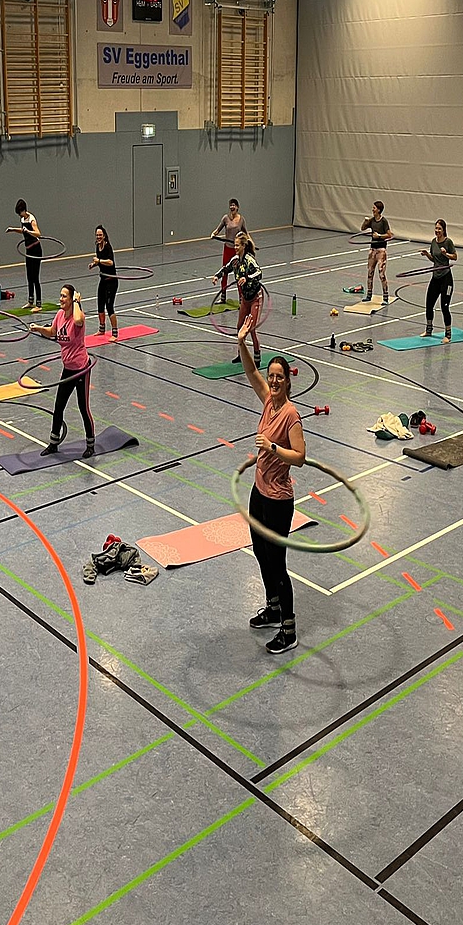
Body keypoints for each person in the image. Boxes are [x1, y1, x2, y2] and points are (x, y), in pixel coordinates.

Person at [237, 313, 306, 654]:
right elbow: (251, 372)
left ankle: (288, 630)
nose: (274, 381)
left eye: (279, 377)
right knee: (260, 552)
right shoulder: (268, 400)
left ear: (288, 381)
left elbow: (300, 456)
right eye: (272, 376)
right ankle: (273, 606)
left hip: (278, 499)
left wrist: (273, 448)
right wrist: (242, 341)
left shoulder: (291, 415)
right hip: (258, 492)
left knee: (278, 564)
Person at [30, 284, 95, 458]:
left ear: (72, 299)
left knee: (83, 407)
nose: (61, 299)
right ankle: (53, 444)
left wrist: (77, 302)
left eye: (64, 296)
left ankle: (90, 444)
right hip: (68, 369)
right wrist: (38, 328)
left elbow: (78, 320)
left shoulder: (78, 316)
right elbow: (52, 332)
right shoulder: (59, 315)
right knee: (59, 406)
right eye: (60, 295)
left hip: (81, 369)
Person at [212, 231, 263, 367]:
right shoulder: (235, 260)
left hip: (255, 297)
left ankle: (257, 357)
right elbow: (225, 268)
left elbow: (259, 273)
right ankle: (241, 355)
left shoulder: (250, 260)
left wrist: (247, 278)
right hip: (244, 299)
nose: (235, 247)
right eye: (234, 245)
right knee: (240, 327)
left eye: (237, 245)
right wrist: (217, 276)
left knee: (251, 328)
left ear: (243, 246)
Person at [419, 218, 458, 341]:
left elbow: (455, 257)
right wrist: (427, 254)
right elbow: (434, 259)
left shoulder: (448, 242)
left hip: (446, 279)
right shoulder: (433, 242)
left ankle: (448, 334)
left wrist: (446, 254)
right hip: (435, 277)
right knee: (429, 304)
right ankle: (429, 329)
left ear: (444, 230)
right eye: (436, 228)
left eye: (439, 229)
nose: (437, 231)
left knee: (444, 306)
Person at [8, 199, 44, 312]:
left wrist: (28, 231)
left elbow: (38, 233)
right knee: (29, 276)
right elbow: (23, 230)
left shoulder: (31, 219)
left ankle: (39, 304)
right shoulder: (23, 219)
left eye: (20, 212)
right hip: (28, 250)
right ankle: (30, 301)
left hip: (36, 250)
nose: (19, 215)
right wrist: (13, 229)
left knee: (35, 277)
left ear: (24, 210)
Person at [209, 199, 247, 304]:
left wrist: (250, 244)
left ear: (237, 207)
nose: (232, 207)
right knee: (224, 272)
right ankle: (223, 297)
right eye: (231, 205)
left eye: (234, 205)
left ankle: (241, 299)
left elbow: (246, 234)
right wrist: (213, 234)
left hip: (236, 251)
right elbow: (217, 230)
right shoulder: (225, 218)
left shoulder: (241, 220)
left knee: (238, 274)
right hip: (227, 249)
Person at [89, 225, 119, 339]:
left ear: (104, 236)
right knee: (100, 304)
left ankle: (115, 333)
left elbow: (110, 262)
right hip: (103, 279)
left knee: (109, 306)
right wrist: (94, 264)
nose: (98, 237)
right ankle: (101, 329)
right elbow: (99, 261)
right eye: (97, 235)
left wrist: (99, 260)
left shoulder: (107, 247)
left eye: (100, 235)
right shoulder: (98, 246)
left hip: (111, 281)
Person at [360, 200, 393, 304]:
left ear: (379, 210)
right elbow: (362, 228)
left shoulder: (383, 221)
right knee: (370, 272)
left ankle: (385, 297)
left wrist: (379, 236)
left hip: (381, 250)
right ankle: (369, 295)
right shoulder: (372, 220)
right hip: (372, 249)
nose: (372, 209)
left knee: (381, 274)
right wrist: (365, 222)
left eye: (374, 208)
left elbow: (389, 235)